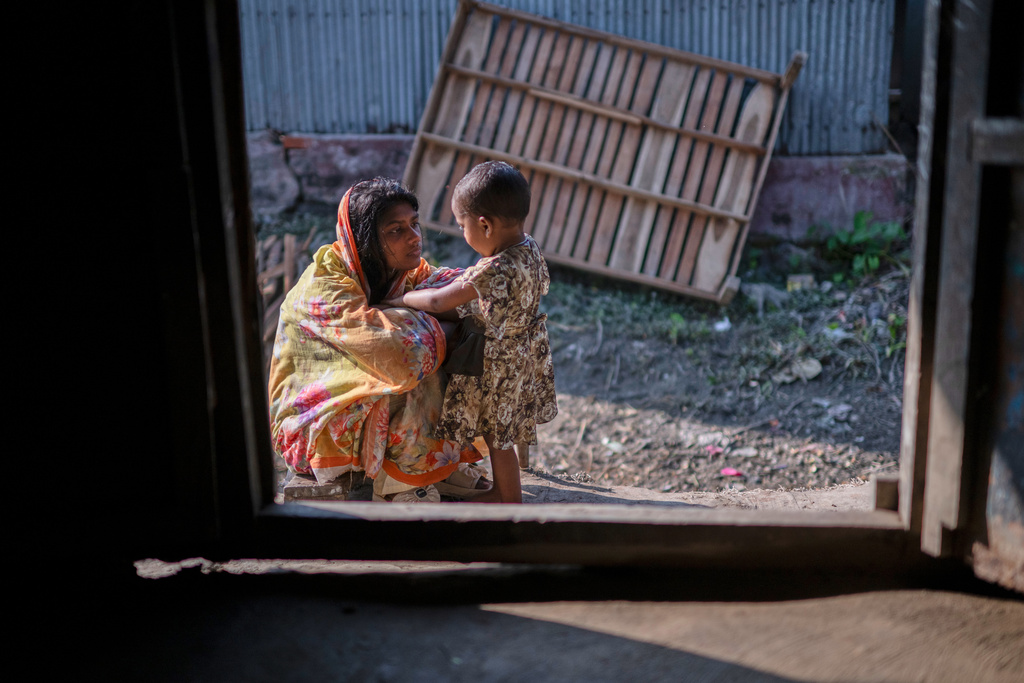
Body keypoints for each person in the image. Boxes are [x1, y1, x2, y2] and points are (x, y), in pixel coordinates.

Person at [267, 177, 490, 502]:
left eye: (414, 224)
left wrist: (437, 311)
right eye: (396, 230)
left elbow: (465, 292)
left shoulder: (398, 271)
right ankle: (401, 487)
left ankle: (439, 463)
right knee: (414, 372)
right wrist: (444, 327)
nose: (414, 238)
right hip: (315, 425)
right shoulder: (326, 286)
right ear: (365, 239)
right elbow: (399, 355)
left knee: (476, 335)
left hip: (359, 411)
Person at [385, 161, 558, 503]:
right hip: (524, 353)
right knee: (502, 431)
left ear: (485, 225)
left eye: (463, 225)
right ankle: (502, 490)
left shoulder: (493, 269)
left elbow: (436, 300)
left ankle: (506, 496)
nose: (464, 234)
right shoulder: (529, 249)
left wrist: (397, 299)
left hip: (498, 365)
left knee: (497, 435)